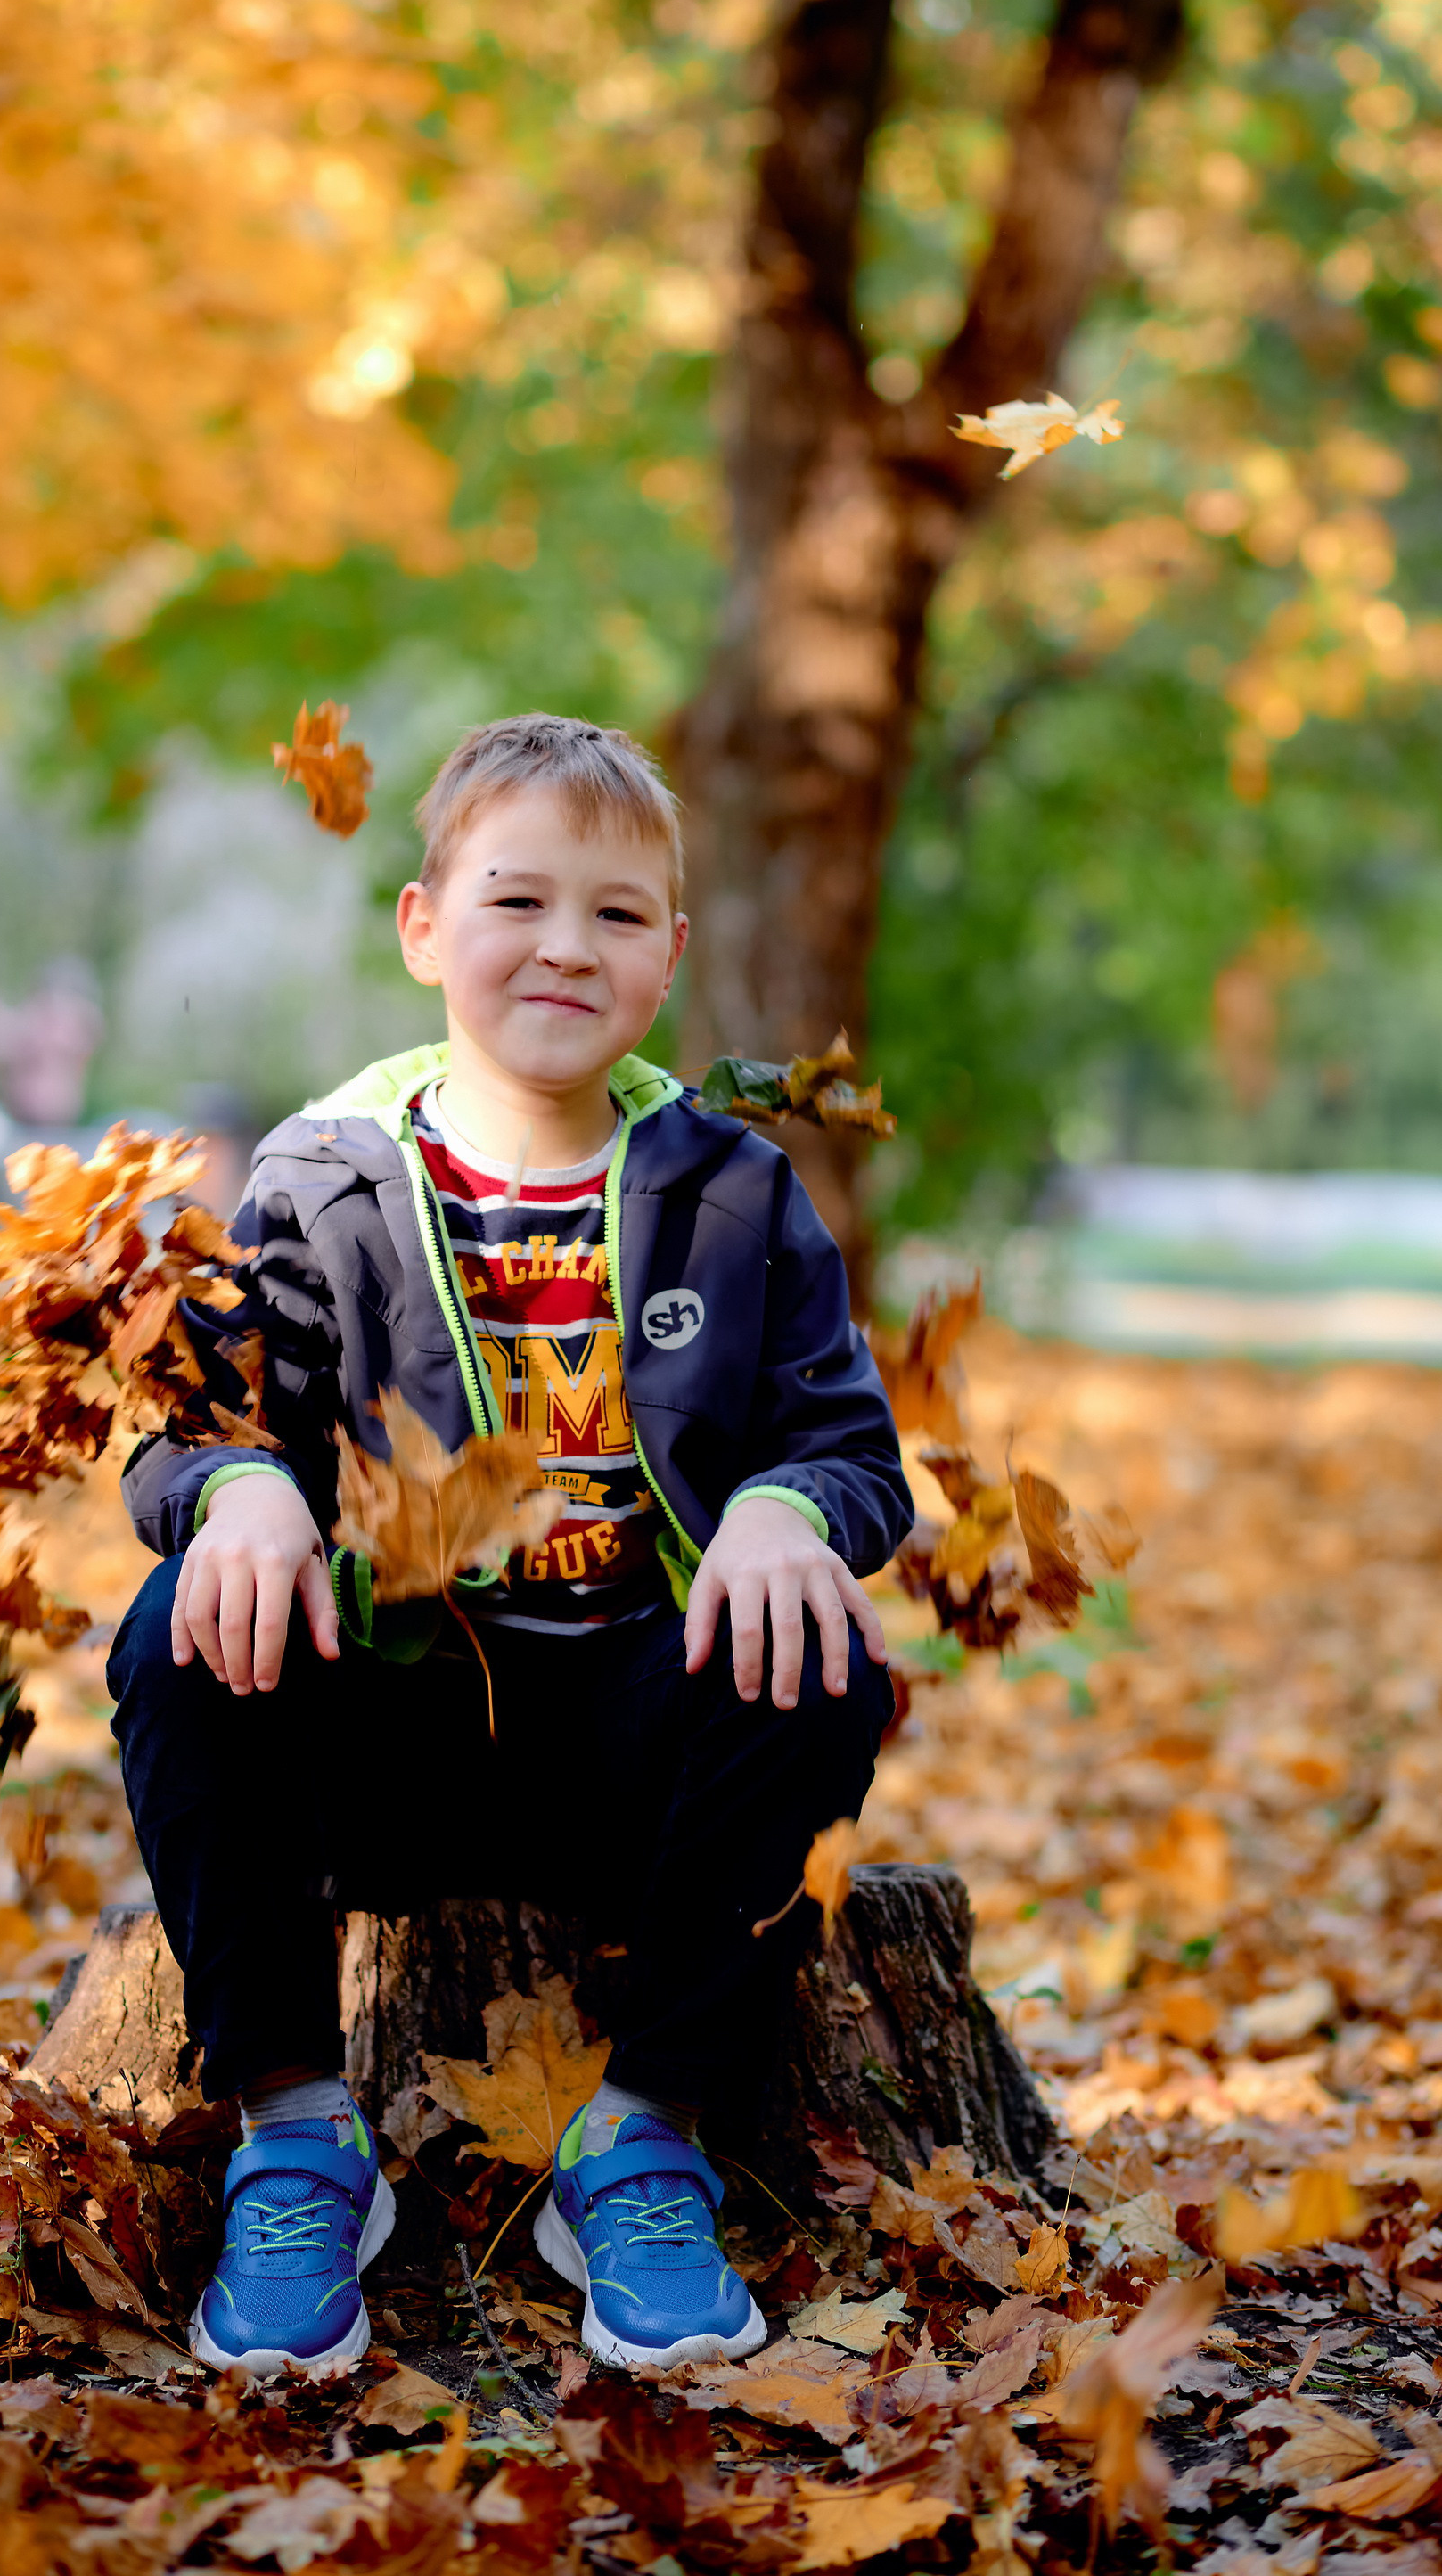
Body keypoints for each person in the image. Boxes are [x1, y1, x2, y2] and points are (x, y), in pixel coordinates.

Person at [111, 715, 913, 2381]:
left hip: (638, 1739)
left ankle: (640, 2139)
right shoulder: (325, 1186)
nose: (567, 946)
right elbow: (196, 1427)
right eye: (517, 901)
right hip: (387, 1734)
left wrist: (783, 1513)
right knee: (171, 1630)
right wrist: (243, 1493)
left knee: (829, 1658)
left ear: (671, 954)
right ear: (424, 929)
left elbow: (847, 1450)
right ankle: (295, 2132)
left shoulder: (734, 1193)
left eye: (619, 916)